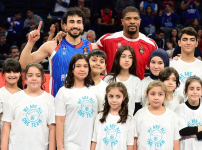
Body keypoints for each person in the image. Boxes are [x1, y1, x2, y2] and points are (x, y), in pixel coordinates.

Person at [19, 7, 97, 97]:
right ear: (64, 26)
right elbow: (23, 64)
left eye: (79, 22)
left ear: (83, 25)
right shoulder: (52, 46)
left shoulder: (92, 48)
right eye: (71, 22)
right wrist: (30, 42)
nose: (75, 25)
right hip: (58, 104)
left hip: (85, 103)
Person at [1, 63, 56, 150]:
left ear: (42, 79)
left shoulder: (50, 99)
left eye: (38, 75)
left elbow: (52, 128)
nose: (34, 78)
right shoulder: (14, 98)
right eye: (30, 75)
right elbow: (6, 126)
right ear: (25, 78)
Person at [96, 6, 157, 80]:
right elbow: (88, 52)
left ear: (140, 21)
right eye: (128, 19)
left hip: (136, 89)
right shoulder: (108, 40)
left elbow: (160, 66)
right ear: (122, 22)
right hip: (111, 88)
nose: (132, 22)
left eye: (135, 18)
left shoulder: (150, 44)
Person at [55, 53, 97, 150]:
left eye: (85, 66)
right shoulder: (63, 92)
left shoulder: (94, 90)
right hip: (70, 144)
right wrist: (60, 147)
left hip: (91, 145)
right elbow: (60, 122)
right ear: (72, 69)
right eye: (78, 66)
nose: (82, 69)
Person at [134, 80, 180, 150]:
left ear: (165, 96)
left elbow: (175, 140)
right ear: (147, 95)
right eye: (152, 94)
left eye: (160, 94)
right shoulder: (139, 114)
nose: (156, 97)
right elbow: (135, 138)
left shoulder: (172, 115)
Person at [91, 82, 134, 150]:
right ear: (107, 96)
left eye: (118, 96)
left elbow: (130, 143)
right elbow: (94, 141)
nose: (114, 100)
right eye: (111, 96)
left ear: (124, 97)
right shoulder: (100, 116)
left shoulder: (129, 118)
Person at [103, 45, 141, 114]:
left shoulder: (136, 80)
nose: (127, 60)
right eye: (123, 56)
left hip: (129, 120)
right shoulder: (108, 79)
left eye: (130, 57)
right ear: (118, 58)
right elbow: (104, 102)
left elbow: (137, 105)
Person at [170, 27, 202, 98]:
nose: (188, 43)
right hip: (174, 107)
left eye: (192, 40)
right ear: (179, 43)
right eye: (185, 39)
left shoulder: (201, 66)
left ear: (196, 43)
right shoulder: (171, 65)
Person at [175, 76, 202, 149]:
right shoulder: (180, 108)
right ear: (186, 91)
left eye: (198, 89)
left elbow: (187, 130)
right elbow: (182, 131)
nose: (195, 92)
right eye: (191, 89)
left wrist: (197, 135)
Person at [0, 59, 22, 131]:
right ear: (3, 74)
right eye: (8, 72)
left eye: (15, 71)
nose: (12, 75)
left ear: (20, 73)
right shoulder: (1, 94)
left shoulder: (25, 95)